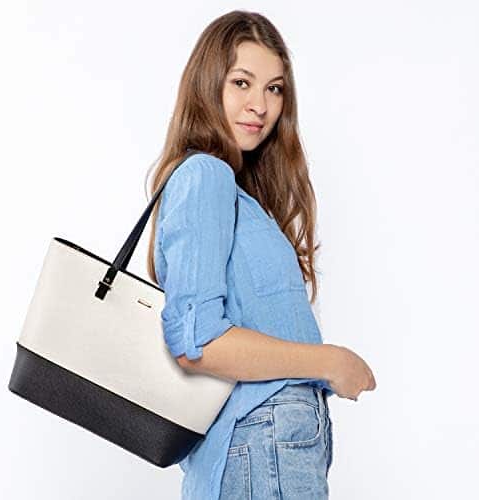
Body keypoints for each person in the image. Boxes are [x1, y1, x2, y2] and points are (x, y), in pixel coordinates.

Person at [144, 9, 377, 500]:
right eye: (241, 83)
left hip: (265, 446)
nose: (260, 105)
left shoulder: (235, 192)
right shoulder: (205, 175)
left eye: (274, 89)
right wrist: (329, 362)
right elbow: (198, 343)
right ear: (207, 84)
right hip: (260, 442)